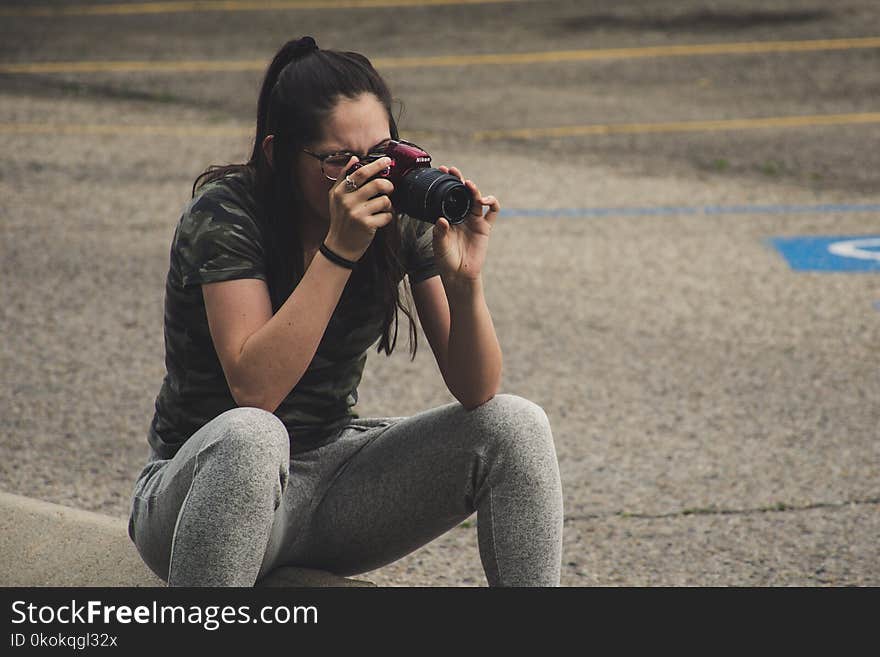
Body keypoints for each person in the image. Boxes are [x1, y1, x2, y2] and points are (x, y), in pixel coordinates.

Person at [127, 36, 563, 587]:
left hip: (328, 490)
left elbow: (476, 388)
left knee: (515, 424)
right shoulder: (227, 214)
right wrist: (339, 251)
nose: (366, 176)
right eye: (340, 160)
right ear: (276, 154)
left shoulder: (397, 216)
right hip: (201, 494)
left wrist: (465, 283)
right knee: (253, 436)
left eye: (381, 153)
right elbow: (255, 391)